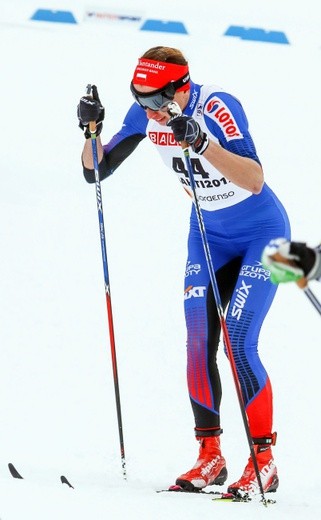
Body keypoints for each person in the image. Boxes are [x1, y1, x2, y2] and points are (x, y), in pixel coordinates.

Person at [77, 46, 291, 495]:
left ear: (181, 88)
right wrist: (90, 131)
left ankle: (264, 462)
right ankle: (210, 457)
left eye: (156, 100)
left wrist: (202, 141)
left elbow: (254, 179)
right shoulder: (145, 116)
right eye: (139, 98)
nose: (148, 110)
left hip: (262, 233)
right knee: (198, 341)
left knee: (238, 341)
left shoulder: (216, 105)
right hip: (207, 234)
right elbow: (96, 171)